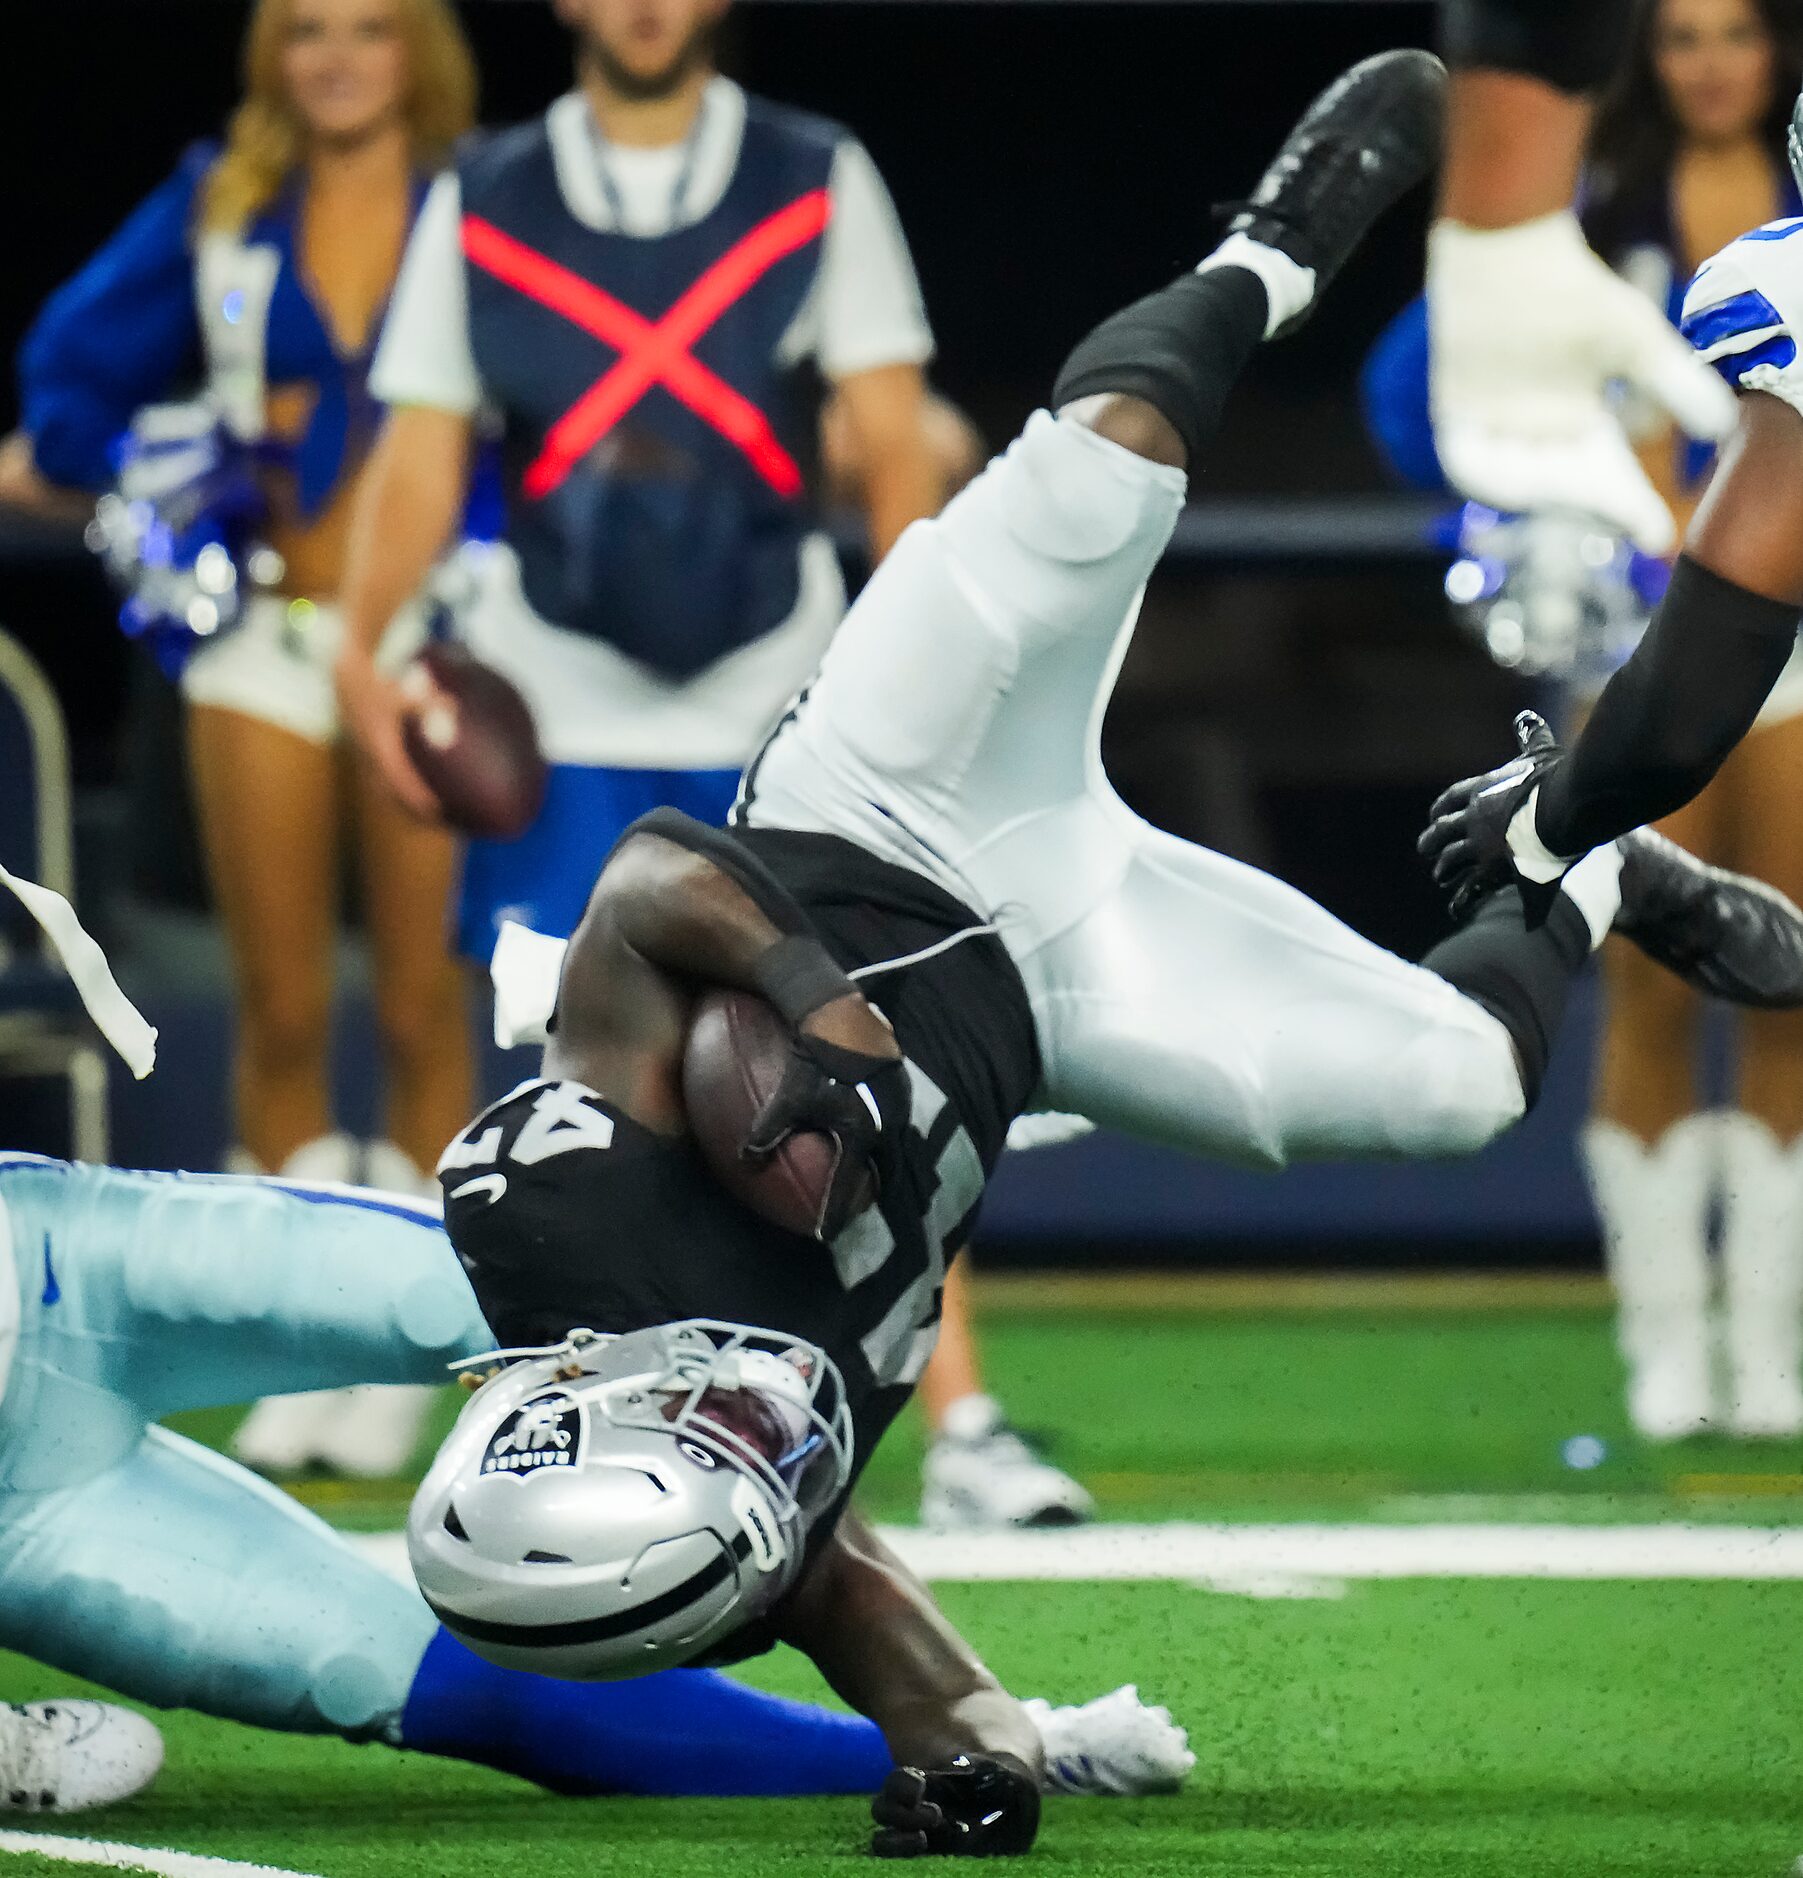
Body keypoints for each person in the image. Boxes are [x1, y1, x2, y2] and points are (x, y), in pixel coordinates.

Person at [404, 52, 1803, 1856]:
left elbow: (649, 880)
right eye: (766, 1493)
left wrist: (817, 1004)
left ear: (596, 1417)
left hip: (875, 802)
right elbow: (889, 1641)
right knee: (1458, 1086)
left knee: (1091, 481)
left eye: (730, 1452)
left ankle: (1271, 249)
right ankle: (1601, 878)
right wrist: (977, 1751)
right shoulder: (755, 1519)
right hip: (1058, 984)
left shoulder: (554, 1228)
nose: (777, 1448)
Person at [335, 0, 1085, 1529]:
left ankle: (957, 1418)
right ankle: (558, 1410)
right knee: (558, 1085)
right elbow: (418, 449)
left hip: (775, 698)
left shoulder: (816, 173)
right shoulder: (481, 190)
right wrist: (360, 654)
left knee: (870, 1051)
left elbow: (892, 447)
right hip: (555, 704)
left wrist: (925, 682)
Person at [0, 867, 1190, 1820]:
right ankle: (974, 1737)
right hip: (25, 1522)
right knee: (459, 1676)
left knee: (627, 1332)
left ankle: (954, 1699)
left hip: (59, 1264)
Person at [1, 0, 481, 1480]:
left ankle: (438, 1336)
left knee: (420, 1003)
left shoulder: (479, 199)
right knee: (281, 1012)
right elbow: (66, 376)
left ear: (419, 52)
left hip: (435, 632)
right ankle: (302, 1341)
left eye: (369, 28)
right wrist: (163, 478)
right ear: (273, 54)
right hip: (261, 635)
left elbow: (535, 399)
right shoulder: (220, 203)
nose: (337, 57)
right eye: (307, 30)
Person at [1371, 0, 1803, 1441]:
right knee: (1673, 984)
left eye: (1732, 32)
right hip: (1646, 617)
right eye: (1675, 35)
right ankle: (1672, 1348)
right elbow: (1415, 393)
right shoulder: (1597, 215)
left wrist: (1543, 818)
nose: (1706, 61)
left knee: (1768, 964)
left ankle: (1767, 1344)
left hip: (1725, 611)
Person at [1430, 0, 1742, 546]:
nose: (1713, 65)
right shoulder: (1612, 211)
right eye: (1685, 41)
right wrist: (1503, 251)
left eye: (1738, 36)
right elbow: (1397, 385)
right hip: (1634, 559)